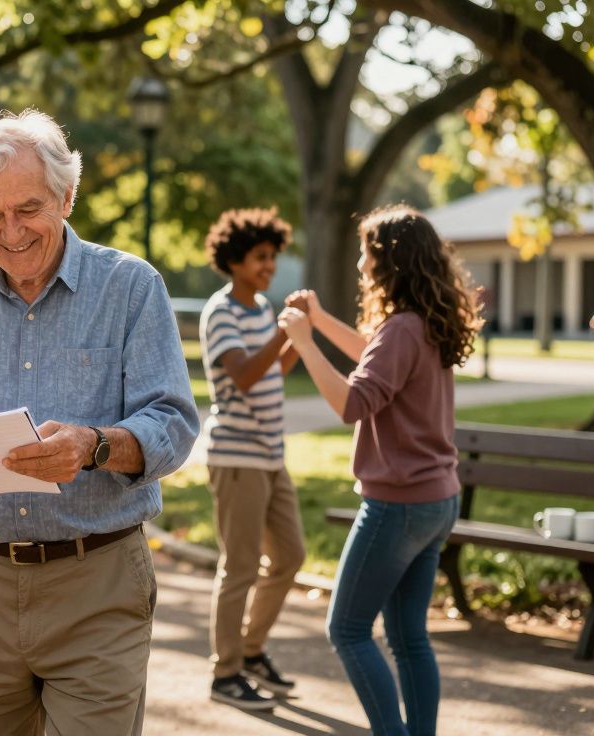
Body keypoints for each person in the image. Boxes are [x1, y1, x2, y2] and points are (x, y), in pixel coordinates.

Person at [0, 110, 199, 736]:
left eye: (29, 209)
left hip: (97, 584)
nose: (11, 231)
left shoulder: (132, 288)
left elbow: (174, 423)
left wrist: (96, 446)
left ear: (67, 196)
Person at [277, 205, 481, 736]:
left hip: (398, 506)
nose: (362, 264)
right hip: (439, 501)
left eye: (368, 253)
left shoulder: (401, 330)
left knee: (346, 629)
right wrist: (320, 322)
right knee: (410, 637)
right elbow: (375, 354)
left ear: (391, 262)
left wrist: (303, 341)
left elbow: (353, 403)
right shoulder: (426, 325)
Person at [199, 208, 305, 711]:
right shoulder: (221, 310)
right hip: (236, 455)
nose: (269, 266)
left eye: (272, 257)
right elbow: (242, 375)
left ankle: (252, 650)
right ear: (235, 260)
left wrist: (298, 338)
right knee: (240, 564)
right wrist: (285, 332)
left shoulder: (262, 308)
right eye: (261, 258)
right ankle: (226, 673)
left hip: (270, 453)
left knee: (290, 556)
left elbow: (272, 372)